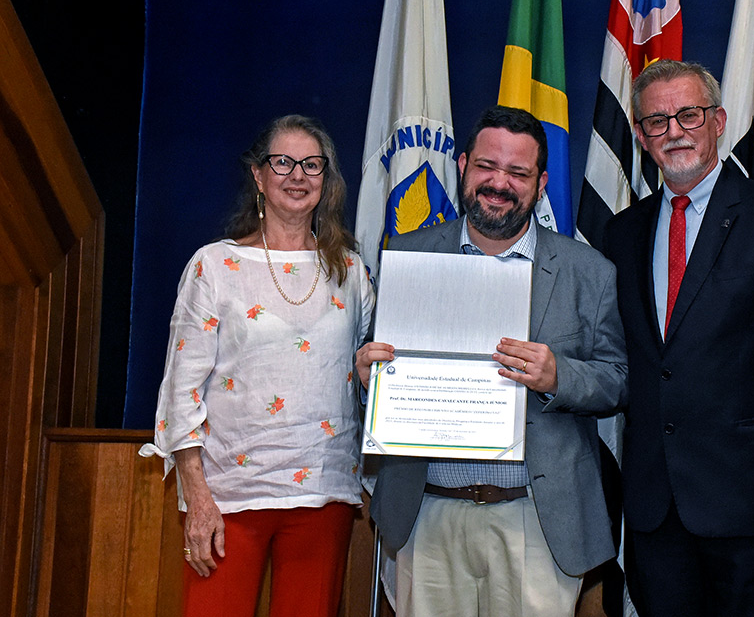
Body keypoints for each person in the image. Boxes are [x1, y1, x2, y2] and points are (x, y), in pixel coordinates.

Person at [602, 60, 754, 616]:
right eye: (658, 121)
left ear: (717, 121)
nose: (674, 131)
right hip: (653, 510)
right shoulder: (621, 234)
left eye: (688, 115)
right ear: (641, 136)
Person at [357, 105, 628, 617]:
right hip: (427, 512)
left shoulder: (587, 271)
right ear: (462, 166)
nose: (499, 183)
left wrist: (559, 376)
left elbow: (618, 380)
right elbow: (379, 373)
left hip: (535, 519)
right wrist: (367, 377)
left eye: (518, 172)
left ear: (541, 183)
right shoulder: (410, 255)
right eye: (486, 166)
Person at [139, 114, 374, 617]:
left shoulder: (351, 271)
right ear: (258, 176)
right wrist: (197, 495)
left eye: (312, 165)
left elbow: (361, 370)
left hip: (322, 490)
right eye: (283, 162)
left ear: (327, 180)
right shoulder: (214, 266)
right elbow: (181, 390)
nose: (297, 175)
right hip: (228, 497)